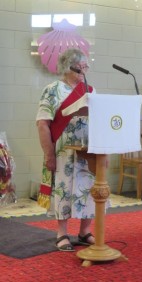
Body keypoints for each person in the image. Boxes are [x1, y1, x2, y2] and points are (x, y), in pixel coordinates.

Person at [36, 48, 97, 251]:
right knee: (64, 188)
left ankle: (85, 230)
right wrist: (48, 154)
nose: (83, 71)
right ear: (67, 67)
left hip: (88, 150)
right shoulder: (52, 90)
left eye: (85, 67)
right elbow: (43, 123)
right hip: (63, 152)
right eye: (79, 67)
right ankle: (62, 233)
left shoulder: (90, 90)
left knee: (88, 189)